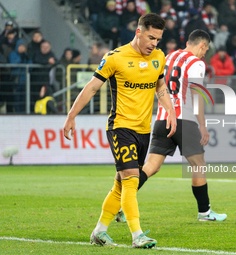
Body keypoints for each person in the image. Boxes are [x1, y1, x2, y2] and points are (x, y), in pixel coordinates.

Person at [63, 13, 176, 248]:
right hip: (120, 127)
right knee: (131, 180)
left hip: (144, 130)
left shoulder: (159, 57)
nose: (154, 44)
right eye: (151, 38)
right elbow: (92, 88)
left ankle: (99, 232)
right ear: (138, 32)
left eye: (158, 39)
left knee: (120, 184)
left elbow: (161, 87)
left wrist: (171, 112)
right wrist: (71, 115)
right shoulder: (115, 58)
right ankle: (137, 235)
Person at [130, 29, 227, 222]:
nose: (204, 54)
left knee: (151, 166)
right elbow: (197, 95)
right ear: (202, 45)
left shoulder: (168, 56)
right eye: (205, 50)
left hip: (162, 119)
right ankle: (205, 213)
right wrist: (202, 125)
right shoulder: (197, 63)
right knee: (199, 165)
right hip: (185, 121)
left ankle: (120, 203)